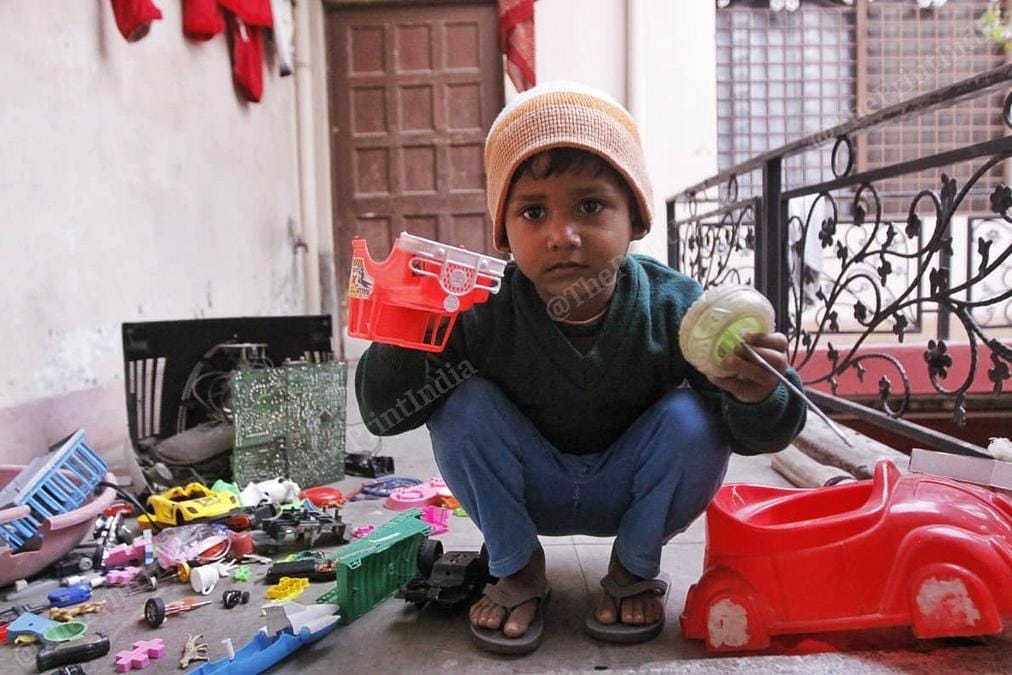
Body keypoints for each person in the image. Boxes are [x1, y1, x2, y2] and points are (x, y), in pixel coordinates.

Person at [355, 81, 807, 655]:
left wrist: (759, 391)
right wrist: (406, 332)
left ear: (635, 219)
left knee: (695, 417)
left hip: (630, 492)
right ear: (504, 233)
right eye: (532, 211)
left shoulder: (675, 308)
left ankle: (632, 570)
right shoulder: (478, 309)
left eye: (590, 206)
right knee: (459, 406)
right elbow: (383, 416)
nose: (561, 236)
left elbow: (761, 434)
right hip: (528, 490)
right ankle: (517, 566)